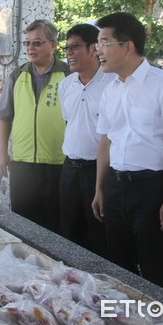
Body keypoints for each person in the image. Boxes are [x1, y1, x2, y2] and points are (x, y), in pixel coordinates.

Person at [91, 12, 163, 290]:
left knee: (154, 266)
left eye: (104, 42)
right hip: (116, 185)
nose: (97, 50)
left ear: (128, 46)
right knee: (119, 266)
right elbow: (105, 141)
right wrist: (100, 188)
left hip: (152, 187)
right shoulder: (110, 89)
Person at [0, 19, 70, 233]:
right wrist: (2, 153)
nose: (30, 48)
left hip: (59, 164)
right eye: (27, 43)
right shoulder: (18, 75)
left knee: (57, 224)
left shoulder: (68, 75)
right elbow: (4, 116)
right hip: (23, 163)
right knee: (23, 223)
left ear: (53, 45)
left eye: (37, 43)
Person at [58, 23, 113, 257]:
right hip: (70, 168)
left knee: (101, 236)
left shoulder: (111, 84)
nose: (69, 53)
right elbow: (69, 122)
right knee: (70, 234)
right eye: (67, 48)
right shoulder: (66, 85)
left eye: (75, 47)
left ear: (94, 48)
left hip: (99, 170)